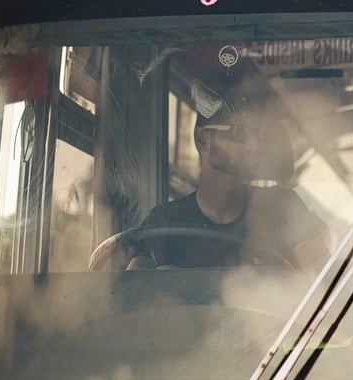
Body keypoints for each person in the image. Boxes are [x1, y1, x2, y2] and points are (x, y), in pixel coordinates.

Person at [125, 77, 330, 270]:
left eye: (256, 135)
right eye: (239, 132)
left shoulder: (281, 207)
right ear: (202, 139)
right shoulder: (163, 223)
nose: (251, 145)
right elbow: (134, 288)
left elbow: (322, 276)